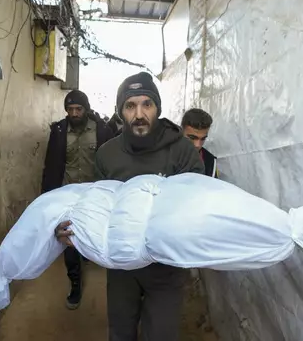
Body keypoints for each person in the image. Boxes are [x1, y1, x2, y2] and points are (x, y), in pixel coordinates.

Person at [54, 72, 204, 341]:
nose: (139, 114)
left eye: (147, 104)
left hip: (166, 266)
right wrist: (79, 233)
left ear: (157, 108)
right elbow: (99, 207)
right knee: (121, 333)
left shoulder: (182, 150)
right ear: (120, 111)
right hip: (122, 267)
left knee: (161, 334)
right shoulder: (107, 154)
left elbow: (196, 206)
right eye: (130, 105)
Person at [41, 89, 113, 310]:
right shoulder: (59, 131)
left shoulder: (103, 131)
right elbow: (51, 165)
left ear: (86, 109)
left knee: (97, 233)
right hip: (68, 195)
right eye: (70, 109)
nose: (74, 113)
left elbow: (112, 163)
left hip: (95, 195)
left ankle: (93, 256)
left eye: (78, 109)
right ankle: (75, 282)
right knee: (69, 238)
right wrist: (47, 196)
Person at [181, 108, 218, 178]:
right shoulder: (164, 155)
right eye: (192, 138)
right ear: (181, 131)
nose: (197, 145)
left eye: (203, 139)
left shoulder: (210, 162)